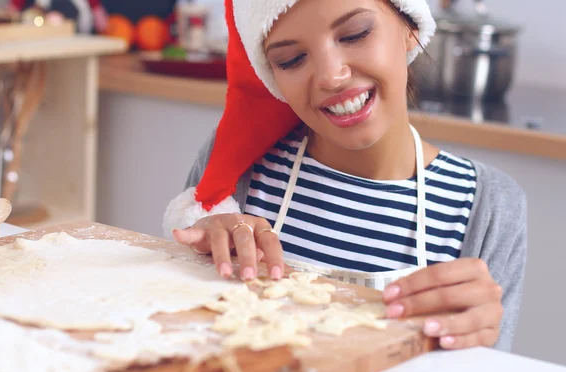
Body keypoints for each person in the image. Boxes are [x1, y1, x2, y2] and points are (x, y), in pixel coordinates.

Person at [163, 0, 527, 353]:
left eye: (355, 34)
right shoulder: (236, 172)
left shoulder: (487, 206)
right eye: (291, 59)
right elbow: (173, 337)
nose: (331, 76)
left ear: (410, 27)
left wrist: (481, 340)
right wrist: (192, 267)